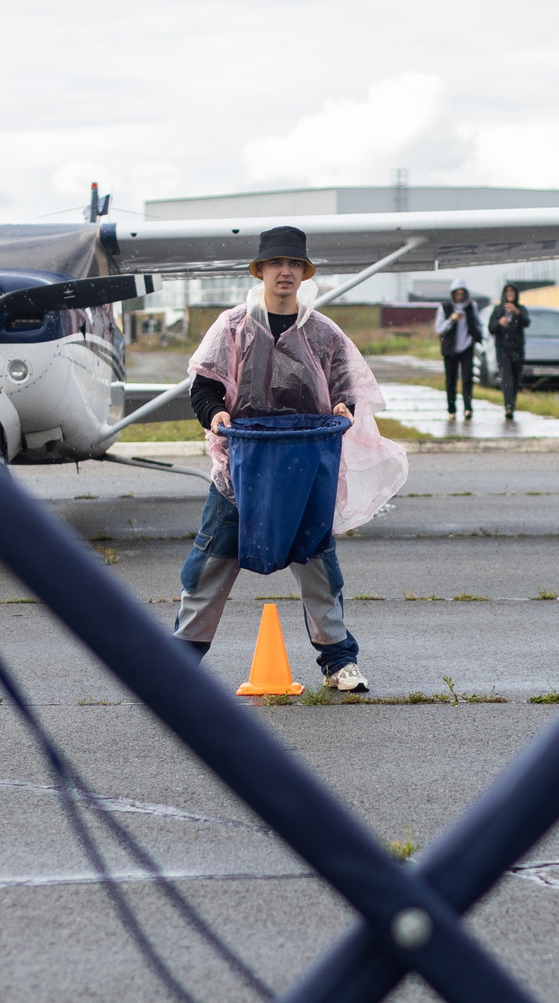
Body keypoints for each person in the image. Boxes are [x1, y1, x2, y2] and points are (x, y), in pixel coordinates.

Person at [176, 225, 406, 693]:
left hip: (304, 468)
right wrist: (216, 413)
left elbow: (345, 390)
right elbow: (204, 388)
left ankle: (339, 662)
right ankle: (178, 661)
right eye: (276, 264)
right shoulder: (233, 326)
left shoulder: (323, 333)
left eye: (294, 264)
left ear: (303, 273)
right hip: (242, 466)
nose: (285, 272)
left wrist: (345, 408)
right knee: (210, 564)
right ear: (260, 271)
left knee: (319, 566)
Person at [435, 277, 482, 419]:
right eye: (457, 293)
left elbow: (478, 324)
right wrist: (451, 320)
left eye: (462, 294)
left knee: (467, 378)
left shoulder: (471, 307)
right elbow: (439, 329)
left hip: (467, 347)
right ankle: (451, 409)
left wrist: (476, 336)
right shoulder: (444, 308)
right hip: (450, 349)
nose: (460, 296)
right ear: (453, 294)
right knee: (451, 380)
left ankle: (468, 408)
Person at [487, 282, 532, 422]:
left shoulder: (521, 309)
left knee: (516, 378)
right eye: (508, 291)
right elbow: (490, 328)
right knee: (506, 378)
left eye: (513, 291)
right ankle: (508, 406)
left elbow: (527, 322)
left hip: (517, 349)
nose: (510, 294)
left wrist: (517, 312)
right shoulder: (498, 310)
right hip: (503, 349)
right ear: (504, 294)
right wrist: (499, 323)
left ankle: (512, 404)